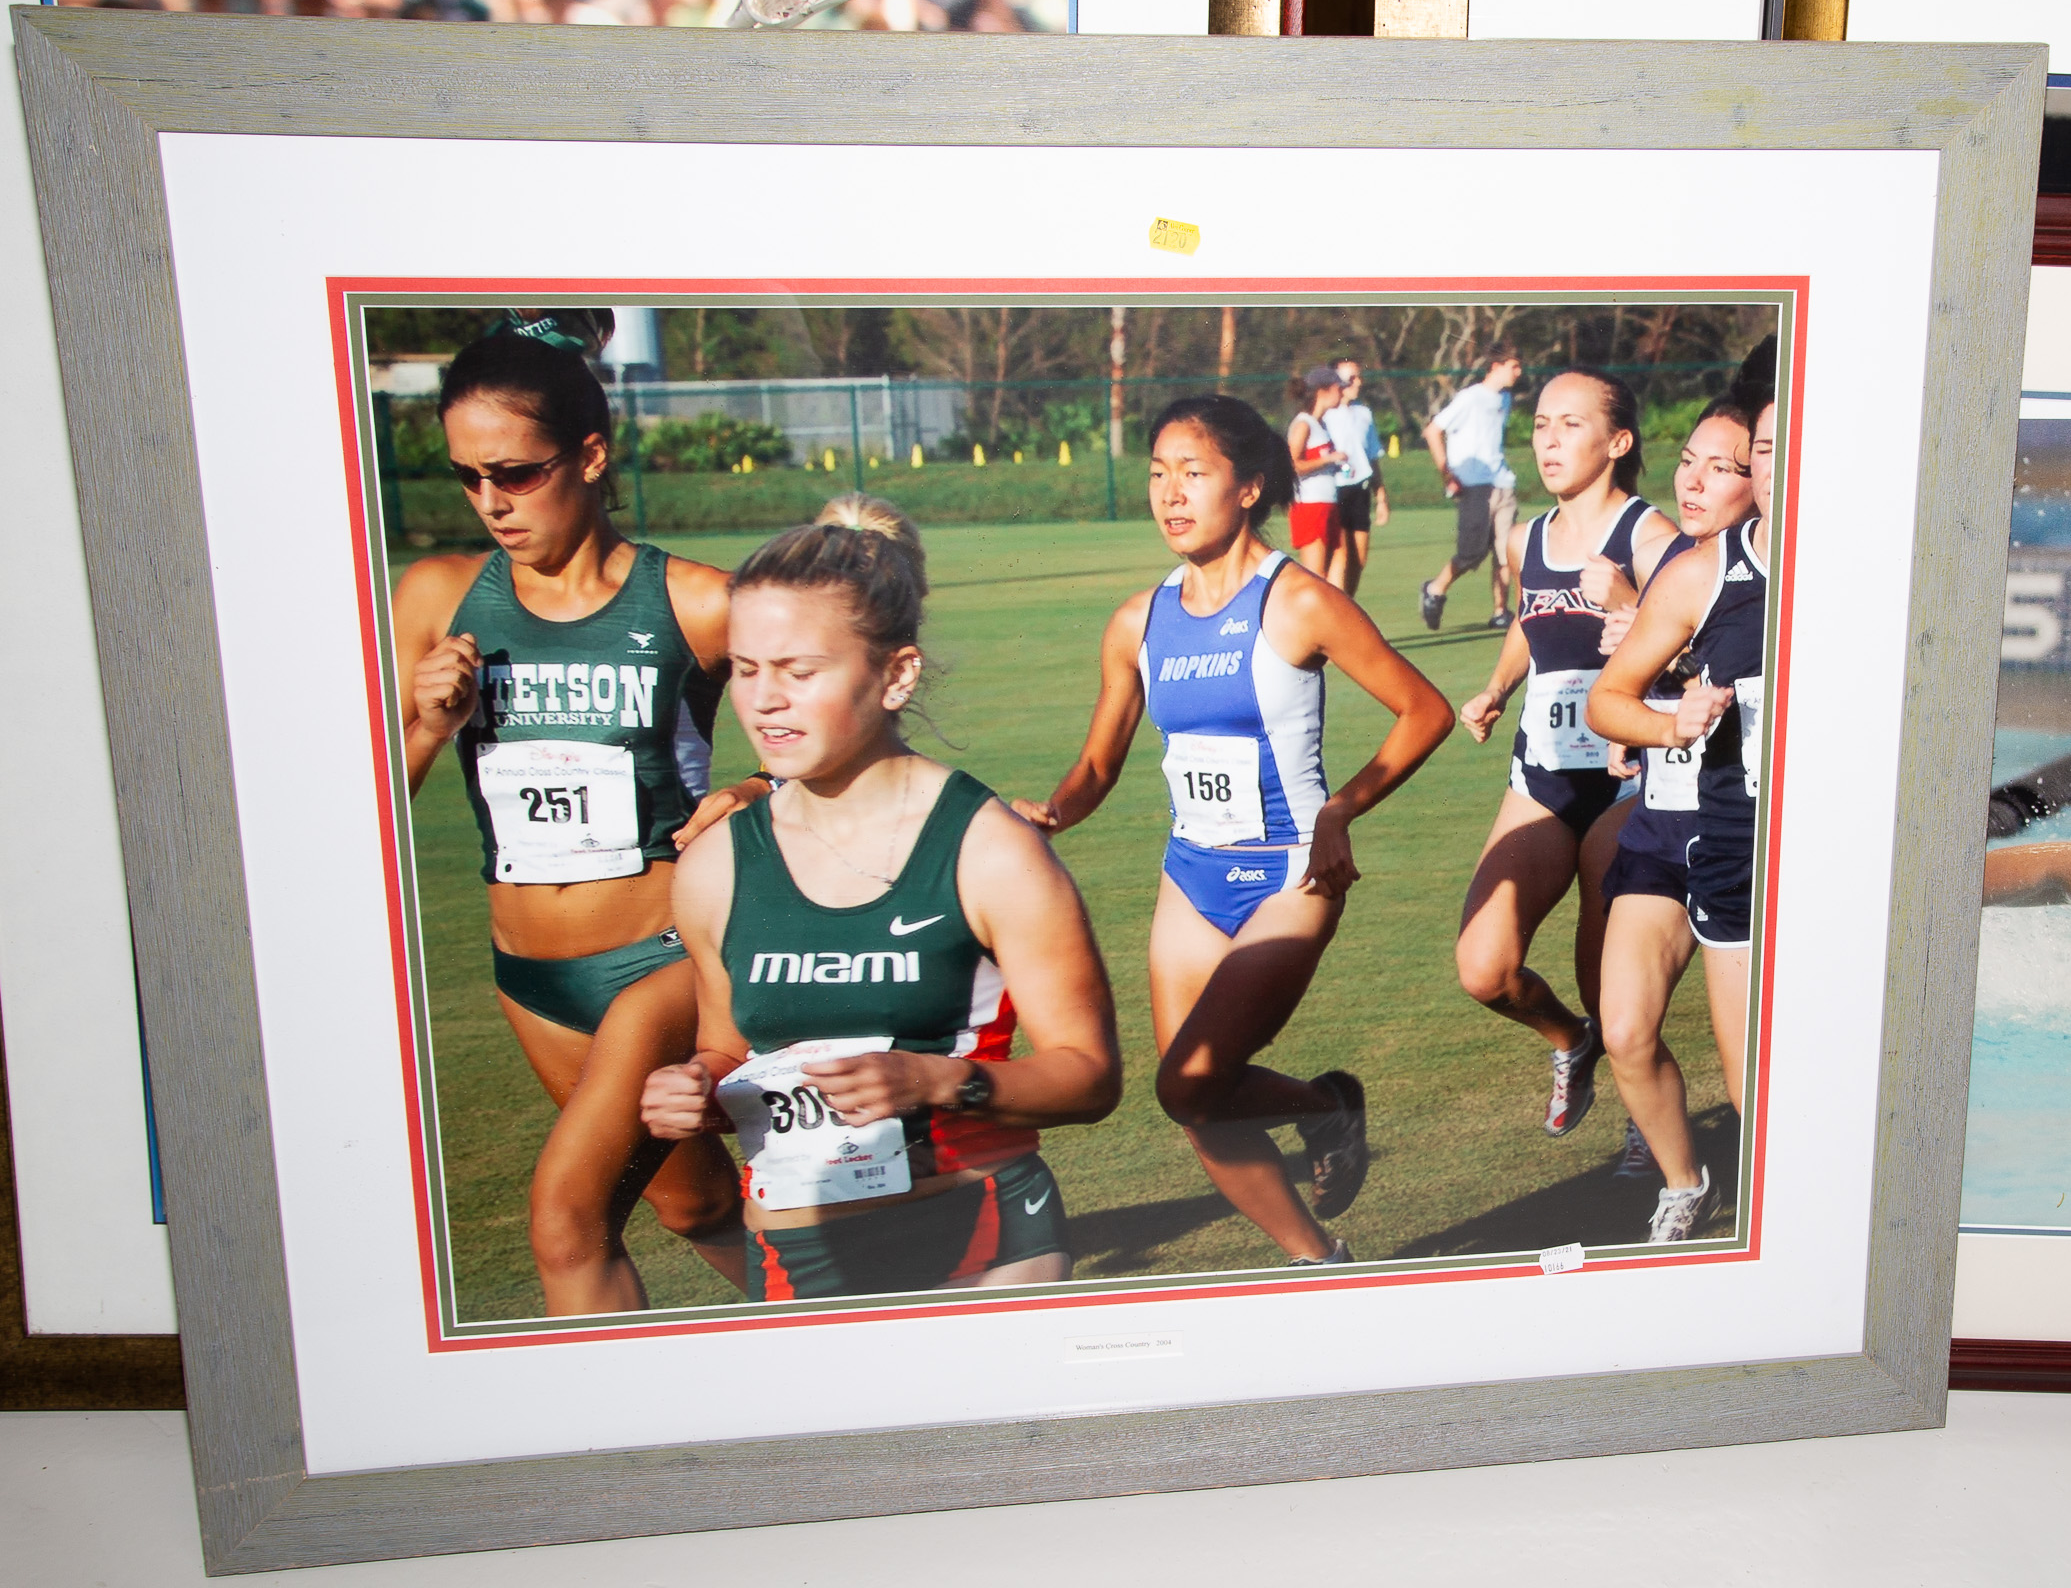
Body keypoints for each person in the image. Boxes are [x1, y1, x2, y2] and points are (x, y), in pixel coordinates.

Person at [639, 499, 1122, 1301]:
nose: (763, 701)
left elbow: (1089, 1077)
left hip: (985, 1236)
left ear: (896, 674)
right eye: (746, 670)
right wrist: (693, 1086)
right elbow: (733, 1054)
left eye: (798, 672)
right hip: (796, 1258)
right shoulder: (715, 865)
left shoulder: (988, 849)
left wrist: (934, 1081)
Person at [1013, 396, 1454, 1266]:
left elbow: (1423, 710)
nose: (1169, 494)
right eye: (1157, 475)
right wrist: (1053, 812)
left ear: (1249, 487)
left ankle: (1325, 1107)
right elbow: (1097, 766)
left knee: (1191, 1076)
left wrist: (1341, 809)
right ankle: (1315, 1259)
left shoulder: (1298, 602)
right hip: (1190, 876)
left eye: (1194, 473)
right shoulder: (1137, 620)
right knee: (1194, 1106)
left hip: (1291, 873)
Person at [391, 324, 748, 1315]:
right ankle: (857, 1344)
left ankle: (614, 1452)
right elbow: (353, 814)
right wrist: (424, 722)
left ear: (590, 455)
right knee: (693, 1206)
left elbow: (841, 735)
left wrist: (758, 790)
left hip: (665, 957)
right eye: (467, 477)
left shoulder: (699, 602)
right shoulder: (436, 595)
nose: (490, 500)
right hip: (530, 977)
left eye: (515, 471)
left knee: (566, 1219)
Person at [1454, 368, 1676, 1139]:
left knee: (1608, 984)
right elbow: (1531, 621)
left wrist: (1629, 604)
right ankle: (1567, 1040)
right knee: (1483, 967)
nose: (1548, 440)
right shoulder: (1526, 538)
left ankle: (1649, 1134)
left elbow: (1693, 652)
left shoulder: (1651, 540)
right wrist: (1494, 687)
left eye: (1570, 425)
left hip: (1627, 781)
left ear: (1616, 442)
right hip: (1542, 772)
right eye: (1541, 424)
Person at [1589, 394, 1776, 1174]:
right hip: (1703, 838)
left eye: (1723, 464)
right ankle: (1681, 1181)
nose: (1694, 481)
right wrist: (1668, 722)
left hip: (1814, 845)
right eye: (1688, 461)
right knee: (1740, 1092)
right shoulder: (1698, 570)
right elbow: (1609, 699)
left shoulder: (1870, 562)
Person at [1419, 345, 1525, 631]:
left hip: (1502, 483)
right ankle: (1435, 589)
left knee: (1506, 552)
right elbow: (1432, 431)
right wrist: (1447, 475)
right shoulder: (1470, 398)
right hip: (1473, 486)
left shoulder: (1504, 398)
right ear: (1496, 366)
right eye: (1513, 366)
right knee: (1472, 552)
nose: (1519, 372)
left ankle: (1500, 611)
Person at [1323, 358, 1389, 599]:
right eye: (1351, 378)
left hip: (1359, 492)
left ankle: (1345, 609)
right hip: (1334, 492)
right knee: (1336, 559)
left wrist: (1381, 497)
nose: (1358, 383)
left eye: (1359, 377)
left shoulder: (1364, 413)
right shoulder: (1325, 416)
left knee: (1358, 559)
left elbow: (1372, 459)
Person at [1286, 366, 1351, 584]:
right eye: (1338, 388)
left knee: (1341, 559)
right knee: (1315, 575)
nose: (1342, 393)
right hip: (1310, 505)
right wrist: (1329, 460)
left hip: (1328, 503)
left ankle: (1335, 616)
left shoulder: (1320, 424)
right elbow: (1292, 465)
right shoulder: (1303, 423)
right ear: (1322, 391)